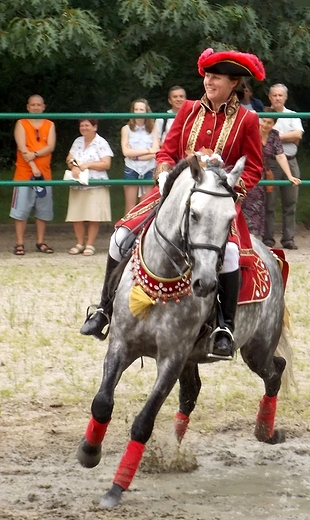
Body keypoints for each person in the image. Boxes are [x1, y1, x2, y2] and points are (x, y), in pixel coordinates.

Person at [80, 47, 265, 360]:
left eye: (217, 77)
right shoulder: (189, 109)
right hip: (172, 194)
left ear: (234, 83)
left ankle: (225, 326)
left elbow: (254, 168)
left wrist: (230, 190)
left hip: (216, 203)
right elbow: (166, 152)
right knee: (120, 237)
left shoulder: (248, 119)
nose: (209, 81)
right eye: (208, 75)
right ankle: (105, 309)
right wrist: (164, 175)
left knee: (230, 254)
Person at [242, 107, 301, 238]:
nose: (265, 124)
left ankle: (257, 238)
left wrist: (290, 175)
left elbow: (280, 156)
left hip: (264, 172)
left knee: (265, 204)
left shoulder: (274, 135)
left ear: (274, 124)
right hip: (249, 171)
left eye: (269, 122)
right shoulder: (251, 131)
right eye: (264, 121)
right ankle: (247, 236)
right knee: (249, 205)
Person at [10, 94, 56, 255]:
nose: (36, 107)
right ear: (28, 107)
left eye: (39, 105)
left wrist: (34, 154)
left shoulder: (50, 125)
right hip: (23, 173)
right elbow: (22, 147)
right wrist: (32, 165)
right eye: (33, 105)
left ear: (43, 107)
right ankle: (19, 243)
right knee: (21, 210)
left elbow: (50, 146)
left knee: (43, 210)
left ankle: (40, 241)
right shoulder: (21, 124)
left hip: (45, 174)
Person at [263, 83, 304, 250]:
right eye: (275, 95)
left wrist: (275, 136)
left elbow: (298, 134)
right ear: (270, 97)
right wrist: (287, 137)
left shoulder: (292, 115)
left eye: (280, 95)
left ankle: (288, 239)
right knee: (268, 202)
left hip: (291, 159)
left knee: (290, 201)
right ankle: (268, 239)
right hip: (271, 162)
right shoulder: (264, 115)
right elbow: (263, 134)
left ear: (285, 97)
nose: (278, 98)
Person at [65, 119, 114, 256]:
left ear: (95, 127)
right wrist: (73, 166)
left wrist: (88, 164)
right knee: (77, 214)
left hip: (95, 182)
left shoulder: (101, 142)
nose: (84, 128)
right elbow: (69, 158)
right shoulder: (77, 141)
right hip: (78, 182)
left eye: (87, 125)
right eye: (81, 125)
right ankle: (80, 243)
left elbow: (106, 164)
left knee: (93, 215)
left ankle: (90, 244)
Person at [121, 98, 160, 215]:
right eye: (136, 109)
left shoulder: (153, 129)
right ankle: (127, 231)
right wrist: (148, 150)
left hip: (148, 168)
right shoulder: (126, 129)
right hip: (132, 168)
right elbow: (126, 152)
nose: (138, 112)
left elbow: (156, 152)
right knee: (130, 205)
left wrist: (137, 155)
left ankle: (142, 232)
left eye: (141, 109)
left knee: (145, 204)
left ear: (146, 111)